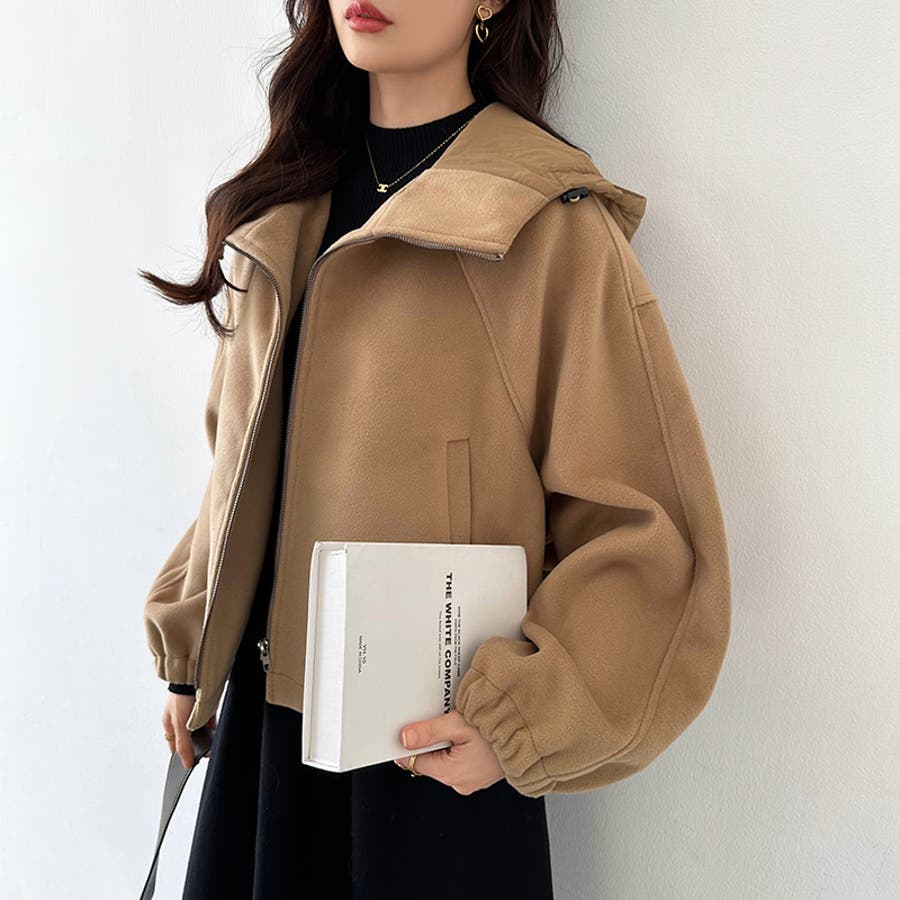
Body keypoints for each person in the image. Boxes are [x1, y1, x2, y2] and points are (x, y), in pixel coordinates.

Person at [139, 2, 732, 898]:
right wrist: (194, 649)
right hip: (263, 743)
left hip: (430, 762)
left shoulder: (548, 227)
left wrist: (519, 720)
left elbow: (649, 535)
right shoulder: (285, 208)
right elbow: (241, 470)